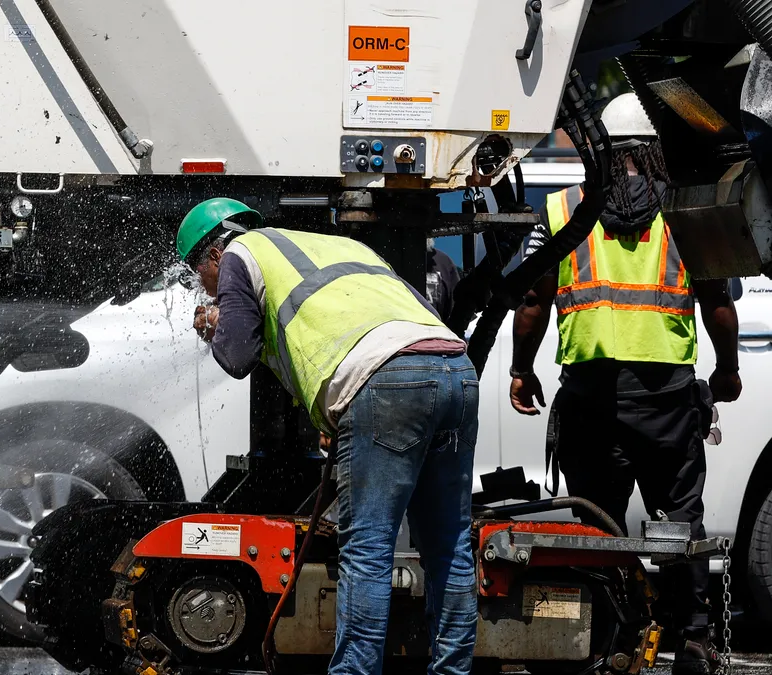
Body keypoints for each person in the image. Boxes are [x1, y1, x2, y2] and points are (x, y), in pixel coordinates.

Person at [177, 198, 479, 675]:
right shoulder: (341, 247)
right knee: (450, 544)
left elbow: (237, 355)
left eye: (200, 275)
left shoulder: (241, 251)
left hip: (386, 379)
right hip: (456, 373)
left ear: (212, 255)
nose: (205, 288)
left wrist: (215, 323)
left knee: (366, 550)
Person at [509, 92, 741, 675]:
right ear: (656, 149)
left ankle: (608, 636)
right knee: (680, 521)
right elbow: (716, 301)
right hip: (665, 395)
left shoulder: (562, 211)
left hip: (588, 394)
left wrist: (521, 367)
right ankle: (691, 639)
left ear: (602, 152)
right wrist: (728, 367)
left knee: (598, 524)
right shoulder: (684, 213)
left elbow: (533, 298)